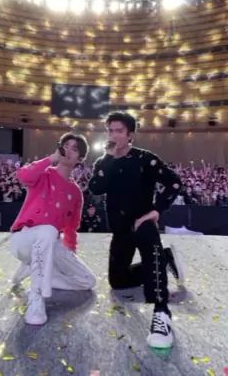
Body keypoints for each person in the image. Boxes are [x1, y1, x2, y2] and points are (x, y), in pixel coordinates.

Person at [88, 111, 184, 350]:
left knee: (151, 250)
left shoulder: (145, 159)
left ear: (130, 134)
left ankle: (161, 313)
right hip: (120, 229)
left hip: (142, 222)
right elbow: (96, 188)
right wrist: (108, 159)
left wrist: (157, 210)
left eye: (119, 131)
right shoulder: (103, 162)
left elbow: (174, 182)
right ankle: (167, 258)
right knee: (118, 282)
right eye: (110, 131)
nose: (114, 135)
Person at [10, 132, 95, 326]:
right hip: (24, 238)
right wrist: (51, 159)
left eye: (74, 149)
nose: (68, 151)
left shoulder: (75, 192)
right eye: (65, 146)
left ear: (80, 158)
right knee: (49, 231)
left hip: (51, 243)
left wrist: (68, 258)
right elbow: (23, 175)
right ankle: (36, 298)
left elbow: (71, 229)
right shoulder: (44, 174)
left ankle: (37, 269)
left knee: (87, 281)